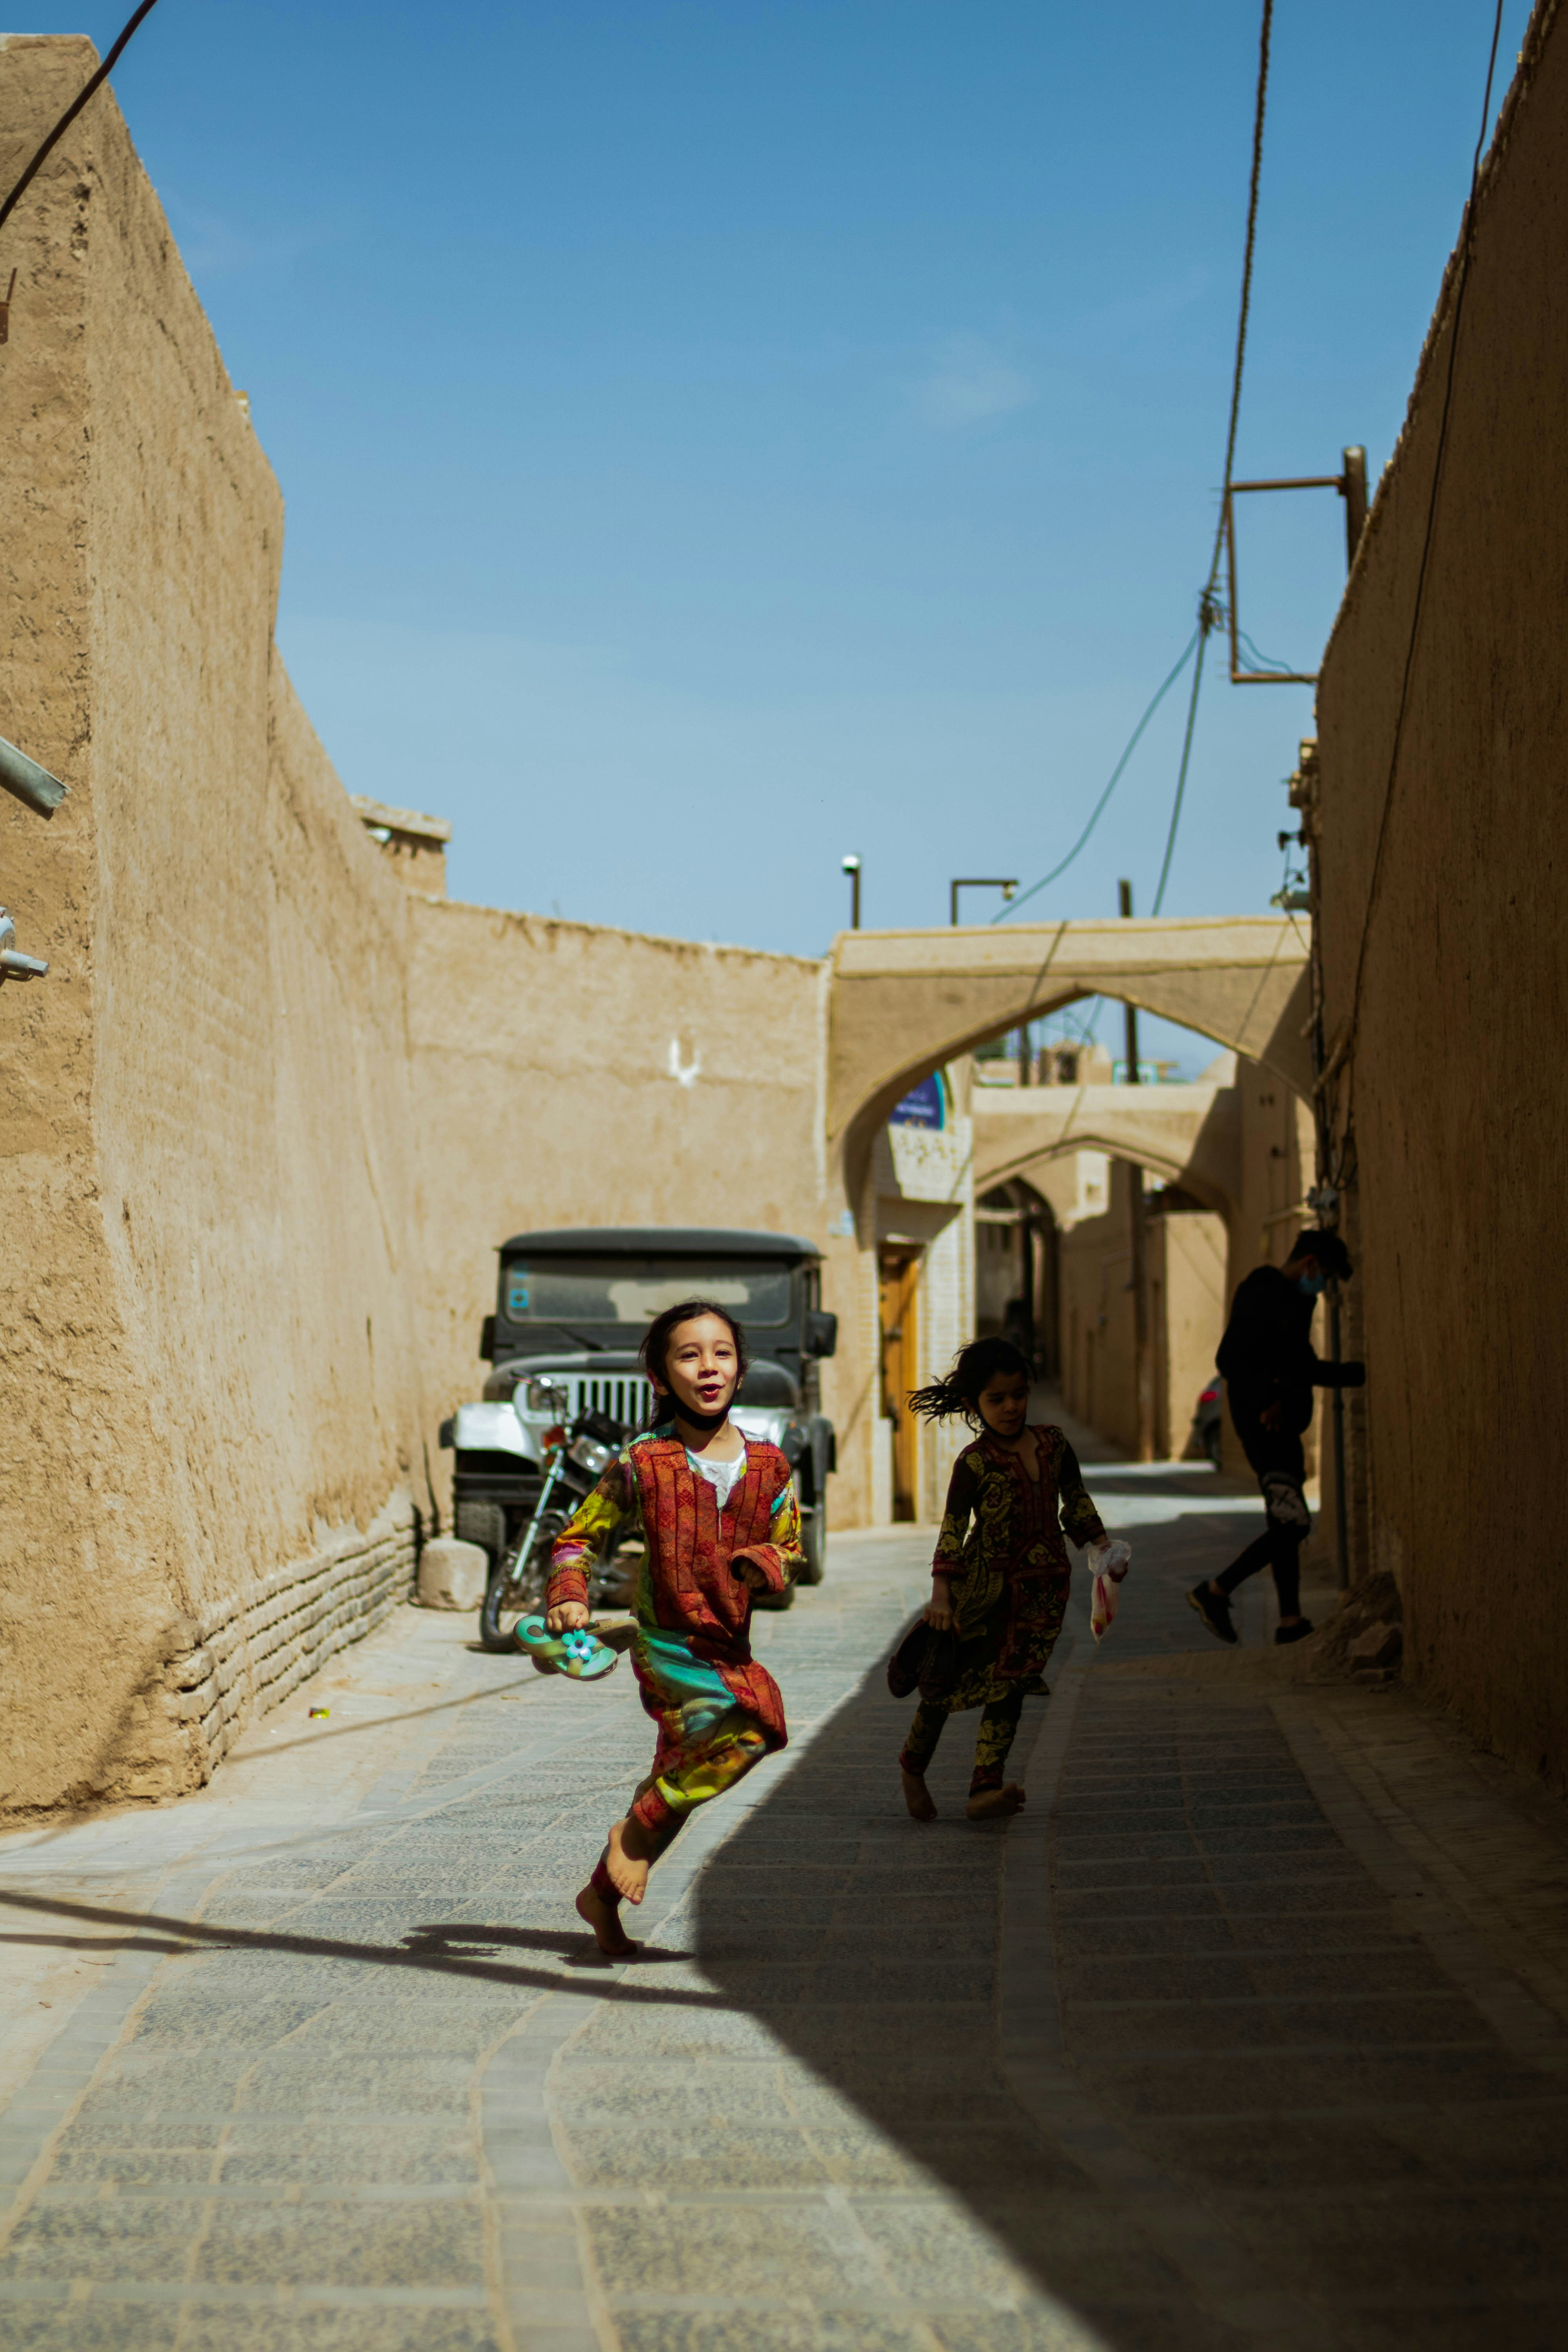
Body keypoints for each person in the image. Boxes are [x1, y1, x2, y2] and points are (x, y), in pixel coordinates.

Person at [545, 1299, 802, 1956]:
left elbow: (791, 1546)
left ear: (740, 1371)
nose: (708, 1367)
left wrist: (764, 1564)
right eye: (689, 1355)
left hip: (727, 1646)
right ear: (662, 1377)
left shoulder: (772, 1467)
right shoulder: (642, 1463)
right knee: (756, 1722)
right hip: (665, 1647)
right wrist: (569, 1597)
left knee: (684, 1779)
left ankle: (600, 1897)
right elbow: (577, 1540)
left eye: (722, 1353)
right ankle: (632, 1837)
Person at [900, 1337, 1111, 1823]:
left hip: (1044, 1591)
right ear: (974, 1404)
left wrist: (1102, 1550)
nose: (1011, 1407)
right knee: (945, 1684)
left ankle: (984, 1789)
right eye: (996, 1399)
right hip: (981, 1593)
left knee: (1012, 1686)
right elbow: (952, 1532)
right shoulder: (973, 1463)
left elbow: (1075, 1502)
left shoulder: (1054, 1444)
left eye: (1018, 1394)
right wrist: (941, 1598)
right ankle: (913, 1767)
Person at [1189, 1228, 1365, 1646]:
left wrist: (1354, 1374)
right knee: (1293, 1524)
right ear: (1309, 1265)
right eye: (1324, 1276)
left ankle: (1290, 1621)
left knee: (1283, 1519)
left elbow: (1302, 1366)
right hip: (1263, 1427)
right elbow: (1228, 1358)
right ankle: (1214, 1592)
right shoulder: (1261, 1289)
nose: (1323, 1287)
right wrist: (1266, 1398)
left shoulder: (1299, 1304)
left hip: (1284, 1428)